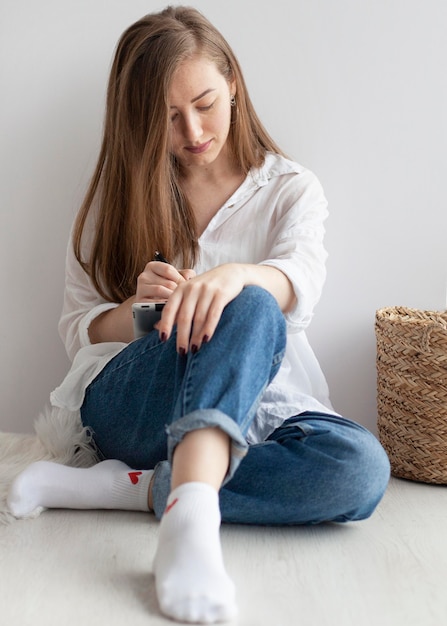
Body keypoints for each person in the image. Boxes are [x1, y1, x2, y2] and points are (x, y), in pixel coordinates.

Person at [7, 6, 390, 624]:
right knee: (249, 302)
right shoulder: (121, 196)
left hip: (258, 410)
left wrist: (236, 276)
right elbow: (78, 327)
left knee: (359, 471)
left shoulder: (291, 189)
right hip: (137, 408)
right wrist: (136, 310)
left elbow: (303, 281)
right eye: (167, 117)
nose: (193, 130)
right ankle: (190, 523)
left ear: (234, 83)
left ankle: (137, 490)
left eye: (205, 102)